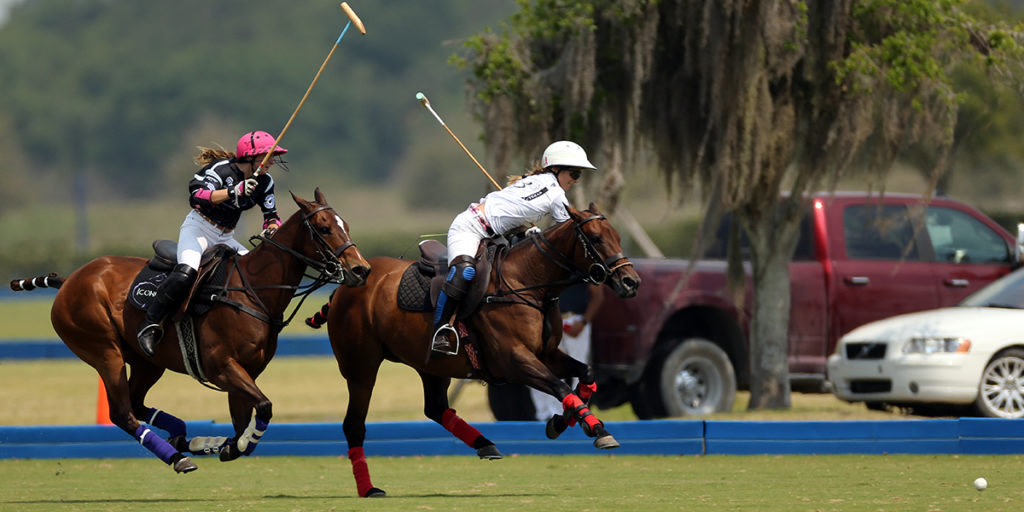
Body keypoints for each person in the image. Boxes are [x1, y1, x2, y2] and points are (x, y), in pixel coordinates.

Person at [431, 140, 597, 355]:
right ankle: (441, 330)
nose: (576, 180)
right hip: (470, 227)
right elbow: (566, 232)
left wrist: (524, 232)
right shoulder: (556, 194)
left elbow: (510, 213)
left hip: (496, 236)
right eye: (574, 174)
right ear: (555, 169)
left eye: (579, 175)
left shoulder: (533, 180)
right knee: (466, 270)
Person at [136, 130, 288, 357]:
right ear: (250, 157)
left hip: (226, 236)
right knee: (186, 272)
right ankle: (149, 326)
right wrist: (231, 191)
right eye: (267, 156)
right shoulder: (221, 169)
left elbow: (272, 215)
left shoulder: (265, 182)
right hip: (199, 229)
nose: (272, 161)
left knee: (253, 276)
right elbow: (197, 196)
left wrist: (272, 228)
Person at [530, 283, 604, 421]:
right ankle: (549, 414)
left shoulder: (583, 266)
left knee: (580, 368)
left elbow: (597, 296)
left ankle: (580, 413)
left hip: (575, 321)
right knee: (547, 368)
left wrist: (583, 321)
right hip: (551, 321)